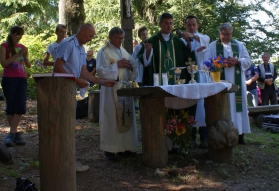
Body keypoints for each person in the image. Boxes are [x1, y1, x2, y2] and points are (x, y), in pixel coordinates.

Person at [53, 23, 116, 172]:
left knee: (68, 126)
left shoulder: (81, 49)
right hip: (59, 89)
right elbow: (57, 67)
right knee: (63, 127)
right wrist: (75, 80)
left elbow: (85, 73)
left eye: (92, 36)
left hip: (70, 90)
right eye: (89, 35)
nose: (90, 38)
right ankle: (62, 162)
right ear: (81, 31)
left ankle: (68, 161)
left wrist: (101, 81)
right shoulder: (68, 44)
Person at [96, 27, 138, 161]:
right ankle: (110, 150)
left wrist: (131, 68)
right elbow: (100, 71)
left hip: (125, 88)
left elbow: (134, 65)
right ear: (111, 37)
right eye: (118, 38)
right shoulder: (103, 51)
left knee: (127, 118)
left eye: (122, 38)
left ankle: (125, 148)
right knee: (112, 119)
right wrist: (117, 66)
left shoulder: (123, 51)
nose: (121, 41)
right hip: (111, 89)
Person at [207, 22, 251, 145]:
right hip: (219, 83)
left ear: (232, 34)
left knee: (237, 108)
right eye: (223, 34)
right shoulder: (212, 46)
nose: (226, 37)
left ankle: (240, 134)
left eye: (228, 34)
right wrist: (219, 63)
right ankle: (222, 134)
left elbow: (248, 61)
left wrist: (237, 61)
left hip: (236, 84)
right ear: (219, 33)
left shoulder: (239, 45)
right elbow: (207, 62)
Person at [180, 15, 210, 149]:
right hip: (189, 76)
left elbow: (204, 43)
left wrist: (193, 39)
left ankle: (204, 136)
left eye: (194, 25)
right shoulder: (181, 40)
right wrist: (187, 42)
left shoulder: (204, 37)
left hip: (202, 76)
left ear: (197, 25)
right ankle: (191, 136)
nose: (192, 27)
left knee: (203, 107)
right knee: (191, 105)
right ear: (186, 26)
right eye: (189, 25)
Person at [138, 12, 193, 86]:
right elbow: (145, 63)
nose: (169, 26)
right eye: (166, 23)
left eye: (171, 23)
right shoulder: (151, 41)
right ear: (160, 24)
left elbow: (188, 58)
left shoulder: (178, 42)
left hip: (176, 85)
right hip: (157, 86)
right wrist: (148, 52)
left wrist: (188, 43)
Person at [0, 26, 31, 147]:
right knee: (11, 104)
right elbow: (4, 63)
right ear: (12, 34)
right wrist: (17, 54)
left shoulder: (22, 47)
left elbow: (27, 65)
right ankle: (15, 134)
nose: (19, 37)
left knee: (20, 105)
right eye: (17, 35)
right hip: (9, 78)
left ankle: (12, 133)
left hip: (21, 78)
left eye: (21, 35)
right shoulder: (4, 46)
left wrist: (25, 55)